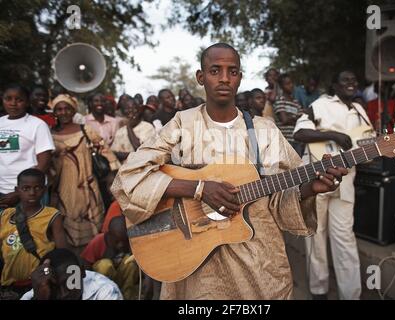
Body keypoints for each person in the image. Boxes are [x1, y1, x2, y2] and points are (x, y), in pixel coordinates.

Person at [111, 43, 347, 300]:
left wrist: (311, 187)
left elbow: (281, 198)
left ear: (240, 77)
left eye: (232, 71)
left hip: (258, 263)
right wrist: (198, 189)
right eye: (215, 70)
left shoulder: (263, 130)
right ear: (201, 77)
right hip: (195, 266)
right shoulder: (182, 124)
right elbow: (130, 176)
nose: (224, 78)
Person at [293, 70, 371, 300]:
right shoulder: (321, 104)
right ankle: (319, 290)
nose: (351, 83)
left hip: (346, 182)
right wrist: (334, 136)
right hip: (317, 178)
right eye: (345, 80)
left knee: (345, 237)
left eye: (353, 80)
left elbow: (364, 144)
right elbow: (300, 132)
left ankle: (351, 294)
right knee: (315, 236)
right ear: (335, 86)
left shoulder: (360, 110)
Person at [49, 94, 120, 250]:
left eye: (67, 108)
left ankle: (93, 255)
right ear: (55, 112)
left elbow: (105, 150)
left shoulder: (84, 129)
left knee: (92, 223)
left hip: (87, 184)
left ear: (73, 110)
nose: (63, 112)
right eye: (59, 109)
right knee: (67, 221)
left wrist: (112, 175)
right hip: (63, 188)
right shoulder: (49, 134)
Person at [0, 169, 67, 298]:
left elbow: (63, 252)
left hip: (37, 284)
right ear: (17, 190)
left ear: (44, 189)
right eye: (26, 188)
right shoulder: (6, 215)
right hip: (8, 286)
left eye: (37, 188)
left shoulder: (51, 216)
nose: (32, 193)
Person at [0, 85, 54, 209]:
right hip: (2, 192)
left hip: (30, 193)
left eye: (19, 100)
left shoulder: (37, 125)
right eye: (8, 99)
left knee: (32, 228)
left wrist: (20, 192)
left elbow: (44, 162)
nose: (13, 103)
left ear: (27, 102)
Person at [21, 248, 123, 300]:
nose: (64, 294)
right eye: (55, 287)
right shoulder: (40, 291)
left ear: (82, 272)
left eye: (70, 283)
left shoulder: (105, 290)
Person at [81, 216, 138, 300]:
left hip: (120, 277)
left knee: (130, 263)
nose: (121, 245)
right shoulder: (98, 241)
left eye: (124, 240)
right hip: (101, 281)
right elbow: (85, 264)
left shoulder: (130, 242)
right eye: (117, 241)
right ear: (109, 235)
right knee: (105, 265)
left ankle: (127, 296)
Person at [111, 98, 156, 162]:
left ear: (139, 110)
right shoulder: (120, 132)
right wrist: (134, 155)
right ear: (123, 113)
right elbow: (115, 153)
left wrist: (129, 127)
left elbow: (139, 149)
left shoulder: (147, 127)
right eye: (127, 109)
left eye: (134, 108)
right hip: (125, 169)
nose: (131, 111)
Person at [273, 73, 304, 147]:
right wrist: (295, 118)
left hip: (296, 140)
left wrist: (290, 117)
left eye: (291, 83)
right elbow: (284, 120)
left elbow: (301, 120)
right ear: (281, 86)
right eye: (287, 84)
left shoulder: (295, 102)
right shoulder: (280, 100)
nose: (291, 85)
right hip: (285, 141)